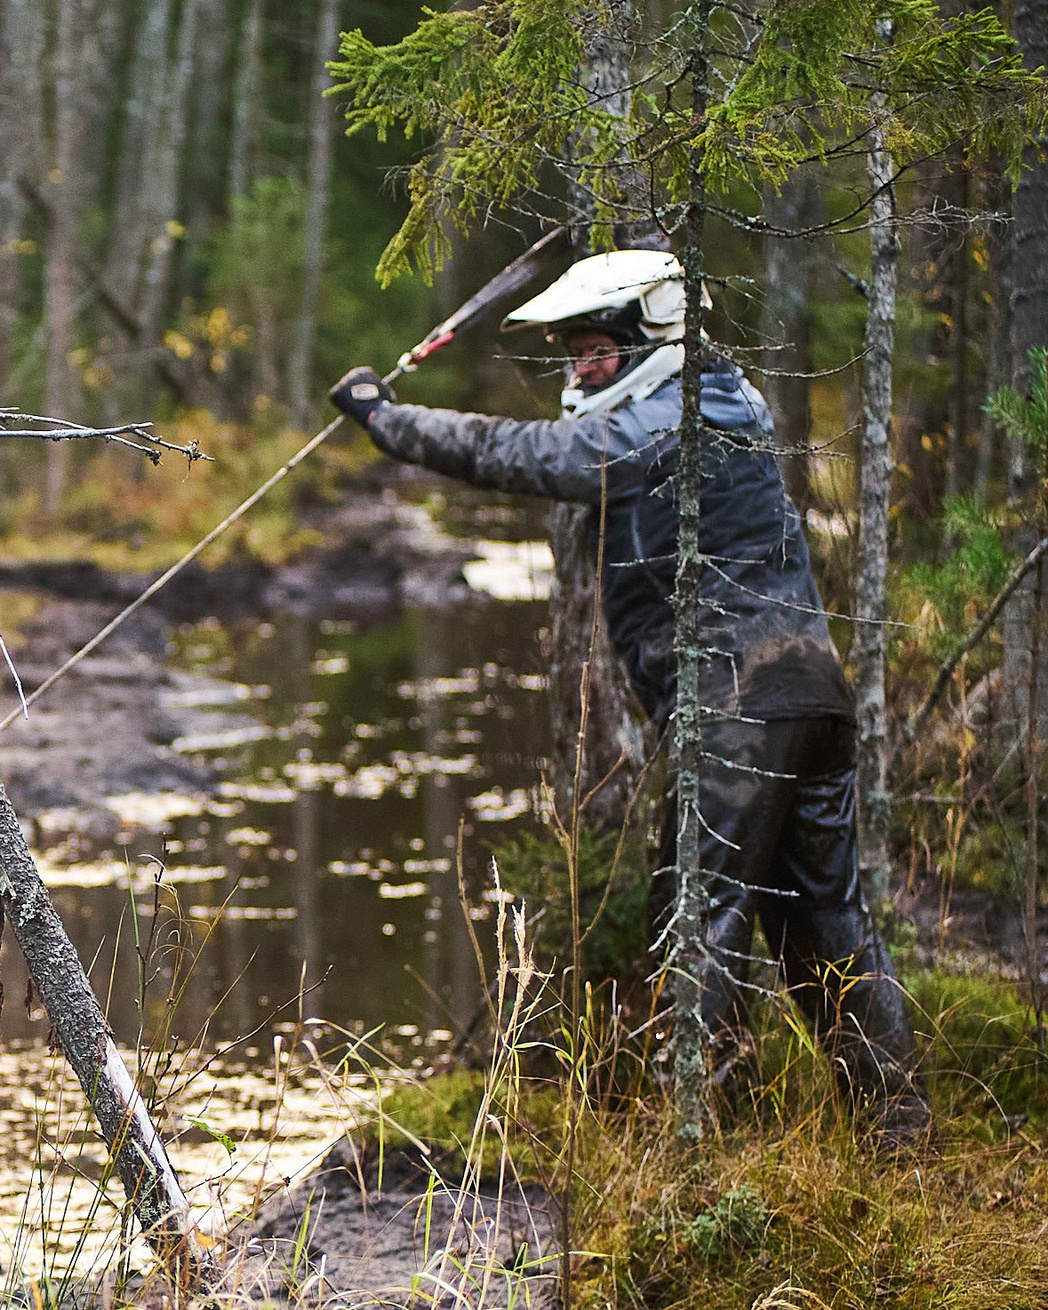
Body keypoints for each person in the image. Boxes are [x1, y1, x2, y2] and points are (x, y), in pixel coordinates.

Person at [327, 248, 928, 1142]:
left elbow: (526, 454)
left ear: (649, 342)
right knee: (822, 918)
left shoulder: (667, 420)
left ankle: (701, 1148)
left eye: (596, 351)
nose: (581, 367)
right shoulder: (730, 400)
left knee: (697, 916)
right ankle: (896, 1126)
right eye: (573, 352)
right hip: (811, 697)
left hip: (740, 705)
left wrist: (389, 419)